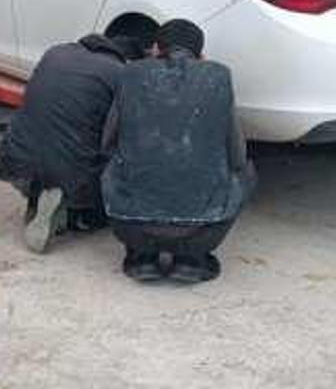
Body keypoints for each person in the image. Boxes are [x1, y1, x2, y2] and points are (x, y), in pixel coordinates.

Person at [101, 19, 257, 284]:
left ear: (154, 48)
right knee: (247, 173)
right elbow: (237, 155)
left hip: (131, 224)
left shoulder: (131, 74)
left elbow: (107, 143)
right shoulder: (219, 76)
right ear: (202, 54)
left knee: (110, 167)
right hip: (203, 228)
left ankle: (141, 258)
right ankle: (192, 259)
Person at [0, 33, 146, 254]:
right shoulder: (120, 73)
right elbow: (122, 136)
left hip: (13, 159)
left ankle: (37, 196)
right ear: (127, 59)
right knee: (120, 153)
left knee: (53, 140)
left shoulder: (55, 52)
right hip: (71, 169)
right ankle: (77, 213)